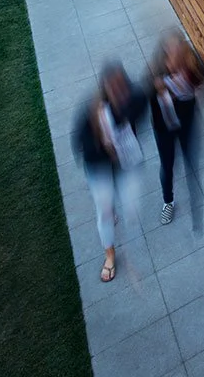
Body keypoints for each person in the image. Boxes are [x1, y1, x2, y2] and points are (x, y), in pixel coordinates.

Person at [73, 62, 147, 283]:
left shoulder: (136, 98)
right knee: (104, 210)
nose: (118, 92)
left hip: (126, 157)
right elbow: (78, 143)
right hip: (98, 163)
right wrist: (102, 142)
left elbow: (141, 111)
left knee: (131, 206)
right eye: (112, 88)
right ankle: (110, 256)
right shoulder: (91, 112)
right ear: (105, 88)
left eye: (121, 86)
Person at [148, 30, 204, 229]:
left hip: (187, 123)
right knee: (168, 165)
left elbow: (202, 79)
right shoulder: (154, 75)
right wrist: (161, 93)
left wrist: (194, 91)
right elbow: (145, 100)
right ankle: (168, 201)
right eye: (169, 52)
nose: (173, 56)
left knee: (191, 161)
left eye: (177, 51)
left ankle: (195, 201)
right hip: (164, 127)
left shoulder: (193, 65)